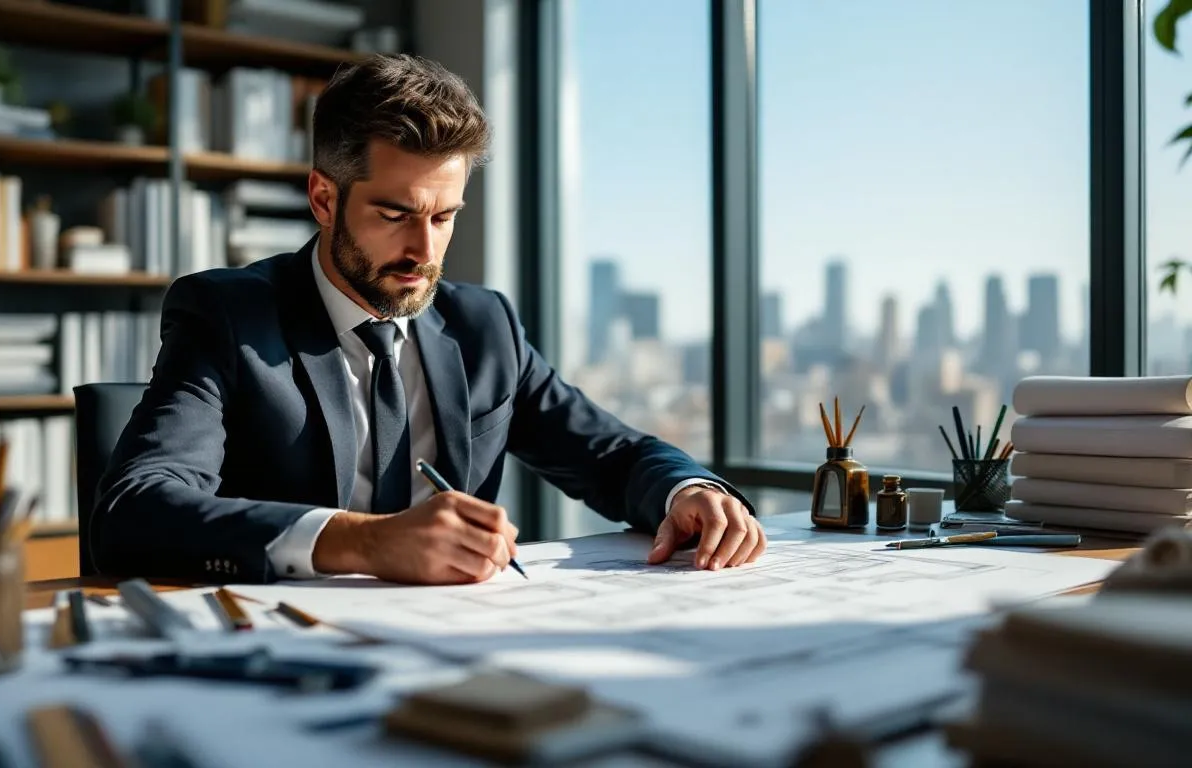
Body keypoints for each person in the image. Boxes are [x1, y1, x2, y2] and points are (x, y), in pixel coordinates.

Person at [89, 54, 766, 585]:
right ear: (323, 199)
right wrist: (365, 541)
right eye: (395, 215)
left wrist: (688, 488)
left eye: (444, 217)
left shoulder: (484, 326)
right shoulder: (230, 317)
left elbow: (610, 456)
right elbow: (135, 511)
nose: (424, 251)